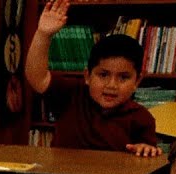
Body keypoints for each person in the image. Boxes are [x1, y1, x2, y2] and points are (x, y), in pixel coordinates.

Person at [25, 0, 161, 157]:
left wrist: (146, 149)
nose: (112, 85)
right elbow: (36, 76)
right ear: (87, 76)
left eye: (123, 77)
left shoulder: (141, 118)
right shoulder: (71, 94)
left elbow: (147, 153)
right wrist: (43, 34)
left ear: (137, 81)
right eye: (103, 75)